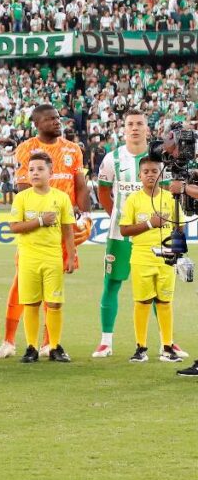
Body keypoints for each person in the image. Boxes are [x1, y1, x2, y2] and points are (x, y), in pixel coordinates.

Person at [0, 105, 89, 359]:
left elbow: (80, 186)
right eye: (50, 119)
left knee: (54, 287)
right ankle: (9, 341)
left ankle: (49, 344)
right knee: (22, 285)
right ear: (37, 123)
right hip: (36, 230)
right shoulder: (26, 149)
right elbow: (24, 190)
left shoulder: (73, 149)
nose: (57, 122)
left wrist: (84, 215)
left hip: (61, 226)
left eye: (58, 118)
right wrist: (40, 217)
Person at [92, 111, 188, 359]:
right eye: (130, 124)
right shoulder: (112, 158)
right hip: (120, 233)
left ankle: (167, 343)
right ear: (123, 129)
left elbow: (170, 193)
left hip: (156, 236)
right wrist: (120, 217)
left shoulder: (161, 160)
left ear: (147, 129)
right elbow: (104, 192)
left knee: (159, 288)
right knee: (112, 283)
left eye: (139, 124)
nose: (135, 128)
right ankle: (106, 340)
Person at [8, 152, 77, 363]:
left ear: (51, 172)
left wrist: (71, 256)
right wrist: (40, 221)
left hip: (52, 258)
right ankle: (31, 347)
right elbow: (14, 227)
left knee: (54, 303)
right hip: (28, 258)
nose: (35, 173)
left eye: (40, 169)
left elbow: (68, 229)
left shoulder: (61, 198)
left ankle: (54, 346)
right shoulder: (22, 198)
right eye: (31, 170)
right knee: (31, 303)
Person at [118, 158, 184, 363]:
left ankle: (167, 346)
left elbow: (180, 227)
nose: (150, 174)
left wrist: (178, 252)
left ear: (160, 174)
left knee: (165, 301)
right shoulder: (133, 200)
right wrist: (149, 224)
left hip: (166, 258)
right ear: (139, 176)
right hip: (142, 257)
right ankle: (141, 347)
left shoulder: (170, 198)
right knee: (143, 301)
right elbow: (124, 230)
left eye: (154, 171)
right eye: (145, 171)